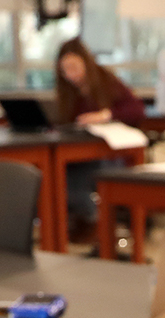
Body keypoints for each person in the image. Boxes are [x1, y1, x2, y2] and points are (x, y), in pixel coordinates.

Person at [53, 37, 144, 240]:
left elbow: (137, 110)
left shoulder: (106, 81)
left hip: (109, 152)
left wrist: (106, 115)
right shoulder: (68, 92)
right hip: (79, 154)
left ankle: (96, 225)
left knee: (75, 180)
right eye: (64, 69)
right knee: (58, 175)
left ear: (86, 62)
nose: (70, 74)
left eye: (74, 67)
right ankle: (86, 224)